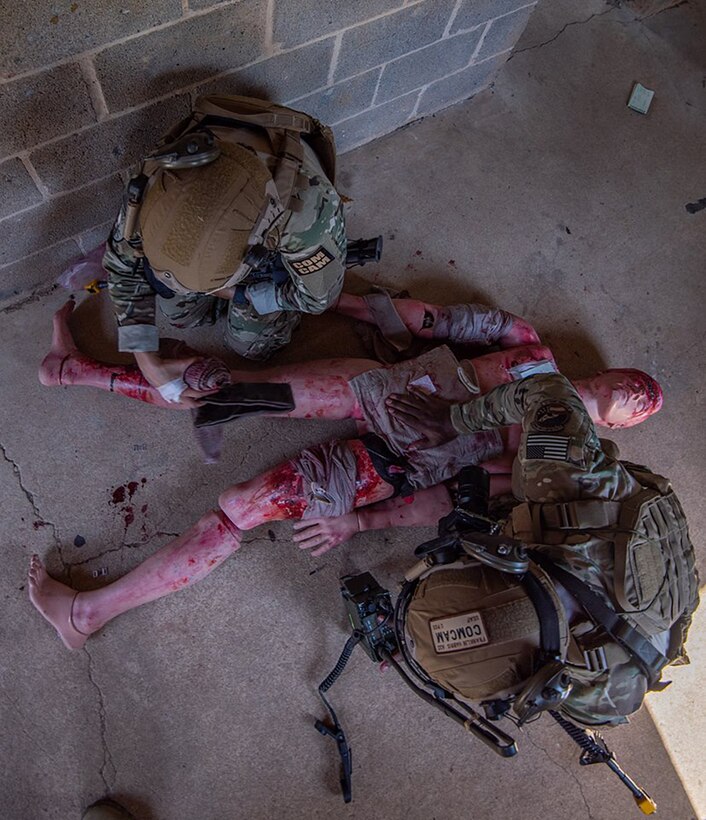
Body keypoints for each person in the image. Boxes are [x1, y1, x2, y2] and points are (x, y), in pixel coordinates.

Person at [32, 300, 663, 651]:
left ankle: (88, 614)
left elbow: (462, 495)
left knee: (239, 508)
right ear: (604, 375)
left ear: (615, 427)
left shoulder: (548, 462)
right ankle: (71, 369)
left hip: (391, 466)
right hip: (378, 388)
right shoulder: (530, 346)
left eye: (620, 403)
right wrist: (335, 295)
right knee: (219, 387)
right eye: (617, 385)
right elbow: (434, 320)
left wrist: (361, 521)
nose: (617, 393)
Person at [385, 372, 699, 727]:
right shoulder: (567, 482)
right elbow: (546, 388)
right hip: (634, 531)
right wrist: (451, 420)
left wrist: (444, 656)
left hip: (657, 600)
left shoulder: (606, 694)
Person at [103, 94, 346, 405]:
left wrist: (245, 295)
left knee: (252, 347)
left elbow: (317, 298)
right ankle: (207, 289)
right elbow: (122, 268)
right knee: (180, 315)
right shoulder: (154, 183)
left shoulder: (308, 215)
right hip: (224, 220)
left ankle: (255, 313)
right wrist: (150, 367)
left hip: (274, 223)